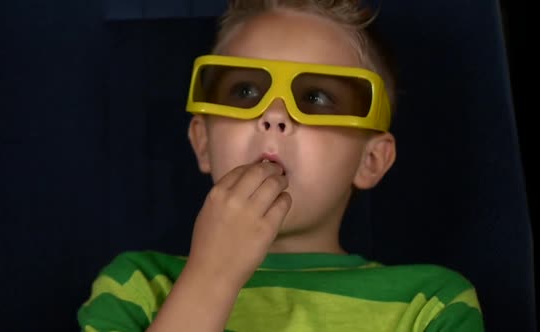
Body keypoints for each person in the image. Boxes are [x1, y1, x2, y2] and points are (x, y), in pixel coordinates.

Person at [77, 0, 485, 331]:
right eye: (245, 90)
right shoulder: (138, 286)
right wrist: (211, 276)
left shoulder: (429, 303)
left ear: (370, 160)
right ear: (203, 143)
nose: (273, 116)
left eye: (317, 98)